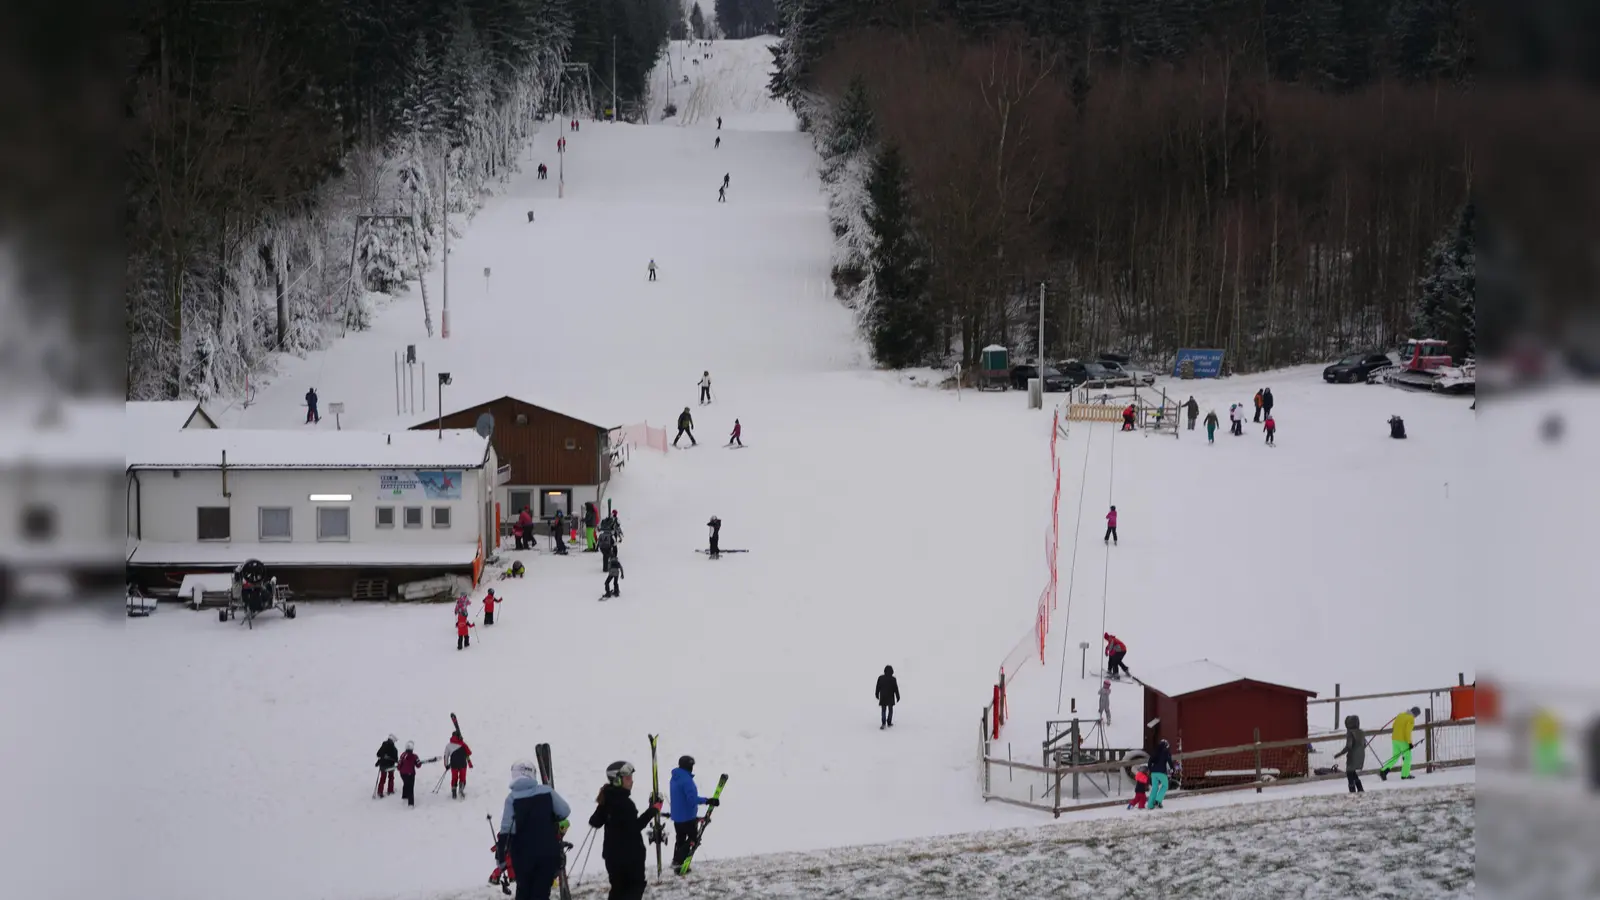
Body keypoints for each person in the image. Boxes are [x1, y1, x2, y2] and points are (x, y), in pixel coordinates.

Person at [497, 760, 572, 900]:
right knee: (542, 893)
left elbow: (507, 829)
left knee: (524, 891)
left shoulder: (512, 799)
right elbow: (564, 811)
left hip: (523, 856)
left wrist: (501, 859)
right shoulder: (546, 791)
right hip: (548, 852)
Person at [588, 761, 662, 900]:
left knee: (617, 891)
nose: (631, 782)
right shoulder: (624, 803)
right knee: (632, 890)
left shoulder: (609, 798)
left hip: (613, 857)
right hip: (629, 859)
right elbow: (635, 827)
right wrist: (653, 810)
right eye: (628, 778)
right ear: (616, 780)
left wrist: (603, 805)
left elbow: (595, 822)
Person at [669, 756, 715, 871]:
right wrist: (708, 800)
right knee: (693, 840)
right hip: (687, 817)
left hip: (677, 817)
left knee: (680, 840)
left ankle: (676, 861)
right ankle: (679, 861)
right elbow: (692, 799)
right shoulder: (687, 780)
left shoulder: (675, 778)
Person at [1379, 706, 1420, 780]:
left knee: (1395, 757)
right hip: (1403, 740)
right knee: (1407, 757)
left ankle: (1384, 771)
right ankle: (1405, 775)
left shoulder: (1400, 715)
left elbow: (1394, 726)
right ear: (1415, 714)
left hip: (1395, 739)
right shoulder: (1411, 719)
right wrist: (1409, 743)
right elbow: (1407, 731)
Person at [1332, 715, 1366, 793]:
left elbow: (1349, 746)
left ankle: (1352, 791)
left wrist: (1339, 754)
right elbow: (1364, 745)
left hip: (1352, 756)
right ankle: (1360, 789)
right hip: (1361, 755)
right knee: (1353, 772)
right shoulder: (1361, 732)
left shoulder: (1350, 733)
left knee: (1349, 773)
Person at [397, 741, 434, 808]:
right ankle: (410, 804)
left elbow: (399, 765)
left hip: (403, 774)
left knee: (405, 784)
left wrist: (400, 769)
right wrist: (417, 763)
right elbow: (418, 765)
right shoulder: (414, 756)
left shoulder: (402, 755)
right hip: (410, 774)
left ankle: (404, 796)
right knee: (410, 787)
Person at [446, 730, 473, 799]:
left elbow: (446, 756)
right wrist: (462, 743)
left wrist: (446, 765)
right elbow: (469, 753)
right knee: (462, 777)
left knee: (454, 778)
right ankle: (461, 790)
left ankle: (454, 792)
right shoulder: (462, 744)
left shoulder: (448, 745)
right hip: (462, 764)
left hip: (454, 764)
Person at [1147, 740, 1173, 808]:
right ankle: (1158, 800)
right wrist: (1172, 768)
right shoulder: (1166, 752)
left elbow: (1150, 761)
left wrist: (1150, 769)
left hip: (1153, 773)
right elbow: (1169, 761)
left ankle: (1150, 805)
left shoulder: (1155, 751)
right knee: (1165, 786)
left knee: (1154, 788)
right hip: (1161, 772)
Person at [876, 665, 900, 729]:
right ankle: (889, 722)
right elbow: (896, 689)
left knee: (883, 710)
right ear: (892, 671)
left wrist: (876, 694)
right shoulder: (893, 679)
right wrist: (898, 696)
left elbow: (878, 687)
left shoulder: (880, 678)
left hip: (883, 696)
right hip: (890, 697)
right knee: (890, 710)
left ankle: (883, 723)